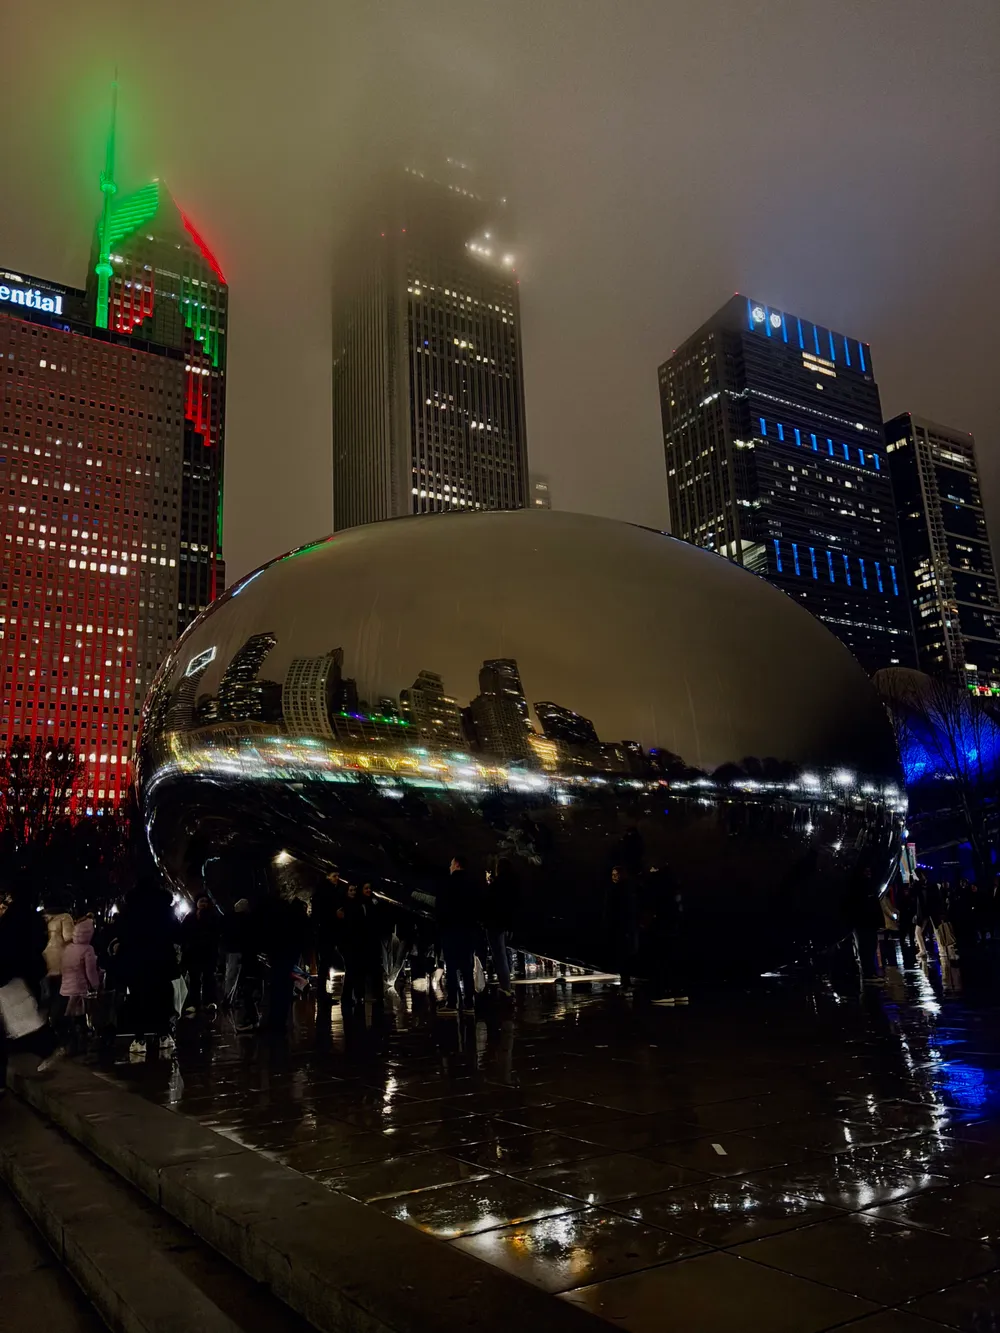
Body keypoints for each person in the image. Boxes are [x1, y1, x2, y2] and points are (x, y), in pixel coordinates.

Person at [0, 887, 62, 1086]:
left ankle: (48, 1045)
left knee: (20, 1019)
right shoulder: (31, 918)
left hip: (10, 973)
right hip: (20, 973)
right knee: (23, 1017)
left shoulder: (13, 918)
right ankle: (48, 1045)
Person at [114, 881, 181, 1057]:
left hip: (137, 961)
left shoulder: (130, 911)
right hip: (161, 959)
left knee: (138, 997)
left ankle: (140, 1038)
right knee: (162, 996)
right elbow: (177, 932)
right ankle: (163, 1035)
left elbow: (122, 934)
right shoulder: (165, 910)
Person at [435, 855, 480, 1016]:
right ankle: (469, 1002)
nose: (449, 866)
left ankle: (452, 1002)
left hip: (450, 930)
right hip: (467, 931)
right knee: (467, 968)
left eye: (451, 864)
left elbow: (440, 907)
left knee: (452, 967)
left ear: (456, 865)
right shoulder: (473, 884)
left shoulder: (447, 884)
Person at [59, 918, 101, 1054]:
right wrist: (96, 985)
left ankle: (69, 1042)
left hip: (66, 986)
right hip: (79, 987)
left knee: (70, 1014)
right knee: (78, 1016)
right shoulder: (88, 949)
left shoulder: (68, 948)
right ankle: (78, 1043)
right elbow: (90, 971)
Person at [482, 858, 519, 996]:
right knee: (503, 953)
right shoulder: (513, 884)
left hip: (495, 922)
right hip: (505, 922)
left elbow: (489, 900)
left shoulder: (498, 884)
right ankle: (507, 984)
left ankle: (505, 986)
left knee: (499, 954)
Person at [181, 894, 221, 1016]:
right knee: (194, 979)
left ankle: (209, 1001)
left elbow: (217, 933)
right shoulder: (190, 917)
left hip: (208, 952)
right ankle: (194, 1003)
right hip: (194, 953)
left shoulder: (213, 917)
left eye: (205, 901)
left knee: (209, 977)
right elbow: (184, 933)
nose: (203, 903)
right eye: (201, 901)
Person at [312, 870, 347, 1007]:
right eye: (334, 876)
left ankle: (322, 994)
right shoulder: (326, 893)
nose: (336, 879)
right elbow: (322, 913)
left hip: (326, 933)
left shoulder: (323, 891)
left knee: (325, 964)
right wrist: (335, 914)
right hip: (327, 933)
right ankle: (322, 994)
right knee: (324, 963)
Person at [335, 883, 368, 1014]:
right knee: (352, 969)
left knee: (355, 969)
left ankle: (353, 995)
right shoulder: (346, 907)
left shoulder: (355, 906)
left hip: (355, 942)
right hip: (348, 943)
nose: (353, 892)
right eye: (351, 890)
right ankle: (350, 996)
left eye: (354, 890)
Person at [607, 864, 641, 988]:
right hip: (623, 928)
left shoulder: (621, 891)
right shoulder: (624, 890)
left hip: (624, 928)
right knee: (625, 954)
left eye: (617, 875)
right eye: (613, 875)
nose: (614, 877)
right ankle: (625, 980)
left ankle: (625, 980)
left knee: (625, 954)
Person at [42, 899, 75, 1018]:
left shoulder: (42, 918)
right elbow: (69, 938)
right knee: (60, 995)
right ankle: (58, 1024)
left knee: (47, 995)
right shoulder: (65, 917)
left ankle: (48, 1020)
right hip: (60, 962)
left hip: (44, 961)